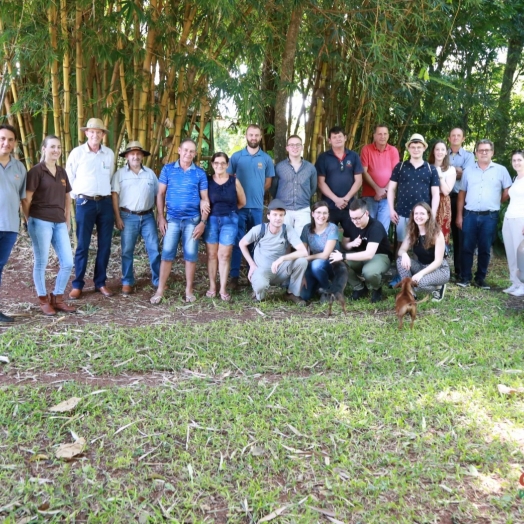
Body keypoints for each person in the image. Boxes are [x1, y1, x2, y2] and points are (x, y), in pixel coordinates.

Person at [150, 138, 209, 304]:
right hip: (172, 220)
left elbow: (205, 199)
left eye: (191, 151)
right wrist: (161, 217)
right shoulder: (168, 169)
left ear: (195, 154)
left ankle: (189, 290)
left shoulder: (199, 173)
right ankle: (160, 290)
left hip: (192, 220)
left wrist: (203, 222)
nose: (188, 154)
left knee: (190, 256)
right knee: (167, 254)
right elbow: (160, 194)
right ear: (179, 150)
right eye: (185, 150)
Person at [22, 136, 75, 315]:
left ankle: (58, 297)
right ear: (43, 149)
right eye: (52, 147)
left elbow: (67, 197)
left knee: (68, 262)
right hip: (40, 220)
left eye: (58, 147)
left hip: (59, 222)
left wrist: (67, 219)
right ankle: (43, 299)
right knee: (41, 262)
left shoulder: (62, 172)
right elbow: (26, 198)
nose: (56, 150)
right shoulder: (36, 171)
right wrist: (29, 220)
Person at [66, 118, 115, 299]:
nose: (95, 135)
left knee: (105, 245)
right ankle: (78, 284)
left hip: (104, 202)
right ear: (86, 133)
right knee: (82, 245)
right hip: (84, 203)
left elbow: (109, 177)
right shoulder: (77, 153)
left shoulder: (109, 154)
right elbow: (69, 178)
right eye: (92, 131)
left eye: (99, 132)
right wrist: (78, 197)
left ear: (103, 135)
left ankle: (100, 282)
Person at [456, 139, 512, 289]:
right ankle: (465, 278)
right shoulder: (468, 171)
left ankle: (480, 279)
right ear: (476, 153)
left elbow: (508, 190)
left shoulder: (501, 170)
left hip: (490, 216)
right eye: (481, 150)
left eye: (487, 150)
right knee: (467, 246)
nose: (484, 153)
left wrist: (497, 202)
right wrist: (459, 215)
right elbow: (462, 194)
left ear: (492, 152)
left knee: (485, 248)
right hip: (470, 214)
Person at [387, 133, 440, 286]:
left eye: (419, 147)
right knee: (401, 244)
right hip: (403, 213)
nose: (416, 149)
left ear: (424, 148)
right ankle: (400, 275)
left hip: (423, 216)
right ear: (408, 148)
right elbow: (391, 189)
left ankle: (419, 277)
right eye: (413, 147)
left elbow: (436, 193)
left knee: (421, 246)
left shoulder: (431, 169)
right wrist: (391, 209)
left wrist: (433, 214)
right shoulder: (401, 166)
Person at [227, 124, 275, 289]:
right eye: (251, 135)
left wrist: (255, 193)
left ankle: (252, 275)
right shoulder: (236, 157)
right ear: (246, 136)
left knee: (255, 243)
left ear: (261, 137)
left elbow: (268, 182)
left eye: (256, 135)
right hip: (239, 208)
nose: (253, 138)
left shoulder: (266, 159)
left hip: (256, 207)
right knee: (237, 241)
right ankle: (233, 277)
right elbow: (228, 178)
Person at [111, 141, 160, 296]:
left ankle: (158, 280)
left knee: (154, 249)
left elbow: (159, 194)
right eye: (132, 154)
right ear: (126, 156)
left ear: (142, 156)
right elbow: (114, 196)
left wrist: (160, 215)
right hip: (127, 216)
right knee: (127, 250)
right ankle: (127, 281)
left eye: (138, 154)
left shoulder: (150, 174)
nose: (135, 156)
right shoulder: (120, 174)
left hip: (148, 216)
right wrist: (117, 217)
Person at [239, 198, 308, 304]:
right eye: (275, 215)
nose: (278, 218)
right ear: (268, 216)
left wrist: (282, 258)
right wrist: (251, 264)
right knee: (260, 287)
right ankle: (258, 294)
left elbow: (303, 252)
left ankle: (292, 294)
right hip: (262, 270)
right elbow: (242, 243)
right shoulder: (259, 229)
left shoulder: (287, 229)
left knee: (302, 261)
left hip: (280, 269)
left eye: (281, 215)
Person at [329, 198, 392, 303]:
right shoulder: (350, 222)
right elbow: (345, 243)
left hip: (379, 256)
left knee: (369, 272)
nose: (355, 221)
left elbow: (368, 254)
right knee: (337, 263)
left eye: (358, 218)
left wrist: (343, 256)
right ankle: (359, 288)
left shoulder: (375, 226)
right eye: (352, 218)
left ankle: (376, 288)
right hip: (358, 256)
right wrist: (352, 244)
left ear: (366, 213)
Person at [204, 152, 246, 301]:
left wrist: (232, 214)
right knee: (212, 255)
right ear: (212, 164)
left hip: (229, 221)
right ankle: (212, 286)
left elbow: (242, 202)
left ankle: (222, 287)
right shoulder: (207, 181)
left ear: (227, 165)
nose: (219, 165)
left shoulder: (234, 181)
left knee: (225, 255)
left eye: (223, 163)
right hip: (211, 221)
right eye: (216, 163)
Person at [396, 202, 450, 301]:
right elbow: (401, 250)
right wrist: (404, 254)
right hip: (421, 266)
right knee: (400, 260)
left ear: (428, 215)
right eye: (416, 213)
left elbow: (438, 261)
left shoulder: (437, 234)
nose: (418, 216)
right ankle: (410, 293)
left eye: (422, 213)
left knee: (419, 284)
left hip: (439, 269)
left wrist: (421, 274)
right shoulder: (413, 231)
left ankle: (439, 287)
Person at [0, 124, 27, 322]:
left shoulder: (19, 167)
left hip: (9, 226)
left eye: (10, 140)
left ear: (15, 143)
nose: (5, 143)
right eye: (2, 138)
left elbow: (23, 198)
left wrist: (28, 221)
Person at [315, 125, 363, 231]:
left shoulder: (354, 156)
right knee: (329, 237)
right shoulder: (323, 157)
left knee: (352, 238)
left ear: (345, 138)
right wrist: (336, 200)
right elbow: (320, 182)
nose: (338, 139)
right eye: (334, 137)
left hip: (349, 205)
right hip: (329, 206)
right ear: (329, 140)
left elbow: (359, 180)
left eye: (340, 136)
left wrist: (345, 199)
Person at [300, 201, 347, 302]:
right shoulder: (307, 228)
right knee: (304, 296)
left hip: (333, 264)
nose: (322, 216)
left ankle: (327, 289)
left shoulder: (332, 228)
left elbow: (325, 255)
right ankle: (318, 284)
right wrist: (302, 274)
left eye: (325, 213)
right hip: (313, 264)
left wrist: (308, 258)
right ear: (313, 214)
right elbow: (303, 252)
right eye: (318, 212)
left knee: (316, 265)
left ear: (328, 214)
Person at [272, 135, 317, 236]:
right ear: (287, 148)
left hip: (303, 209)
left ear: (302, 147)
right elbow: (273, 188)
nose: (295, 147)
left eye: (297, 145)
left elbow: (313, 188)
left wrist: (303, 197)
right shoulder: (279, 167)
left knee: (303, 239)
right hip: (283, 209)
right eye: (291, 145)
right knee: (283, 239)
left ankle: (302, 252)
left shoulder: (310, 168)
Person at [360, 124, 400, 233]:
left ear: (388, 135)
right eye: (379, 134)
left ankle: (381, 250)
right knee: (367, 226)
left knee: (382, 229)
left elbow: (396, 173)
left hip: (387, 197)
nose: (382, 136)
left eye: (385, 134)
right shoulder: (366, 149)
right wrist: (377, 189)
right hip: (369, 195)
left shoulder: (393, 150)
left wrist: (385, 190)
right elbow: (364, 171)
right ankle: (367, 250)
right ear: (374, 136)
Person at [448, 128, 475, 280]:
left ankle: (459, 271)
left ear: (463, 138)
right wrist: (456, 170)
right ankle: (442, 269)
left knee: (460, 235)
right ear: (449, 138)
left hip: (460, 198)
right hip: (443, 198)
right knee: (442, 234)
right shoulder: (441, 152)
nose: (456, 138)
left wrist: (448, 171)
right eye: (453, 135)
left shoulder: (469, 156)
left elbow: (467, 175)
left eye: (459, 135)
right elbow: (436, 171)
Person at [501, 150, 524, 296]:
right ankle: (514, 283)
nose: (516, 163)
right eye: (514, 160)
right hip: (509, 218)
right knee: (510, 252)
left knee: (520, 255)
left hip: (521, 220)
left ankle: (522, 285)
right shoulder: (516, 178)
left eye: (519, 160)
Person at [428, 140, 457, 245]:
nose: (440, 152)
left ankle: (442, 257)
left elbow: (446, 191)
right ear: (433, 152)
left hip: (443, 203)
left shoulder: (451, 169)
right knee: (426, 229)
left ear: (446, 152)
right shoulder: (427, 167)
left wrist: (439, 174)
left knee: (441, 231)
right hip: (427, 200)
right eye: (437, 149)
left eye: (442, 149)